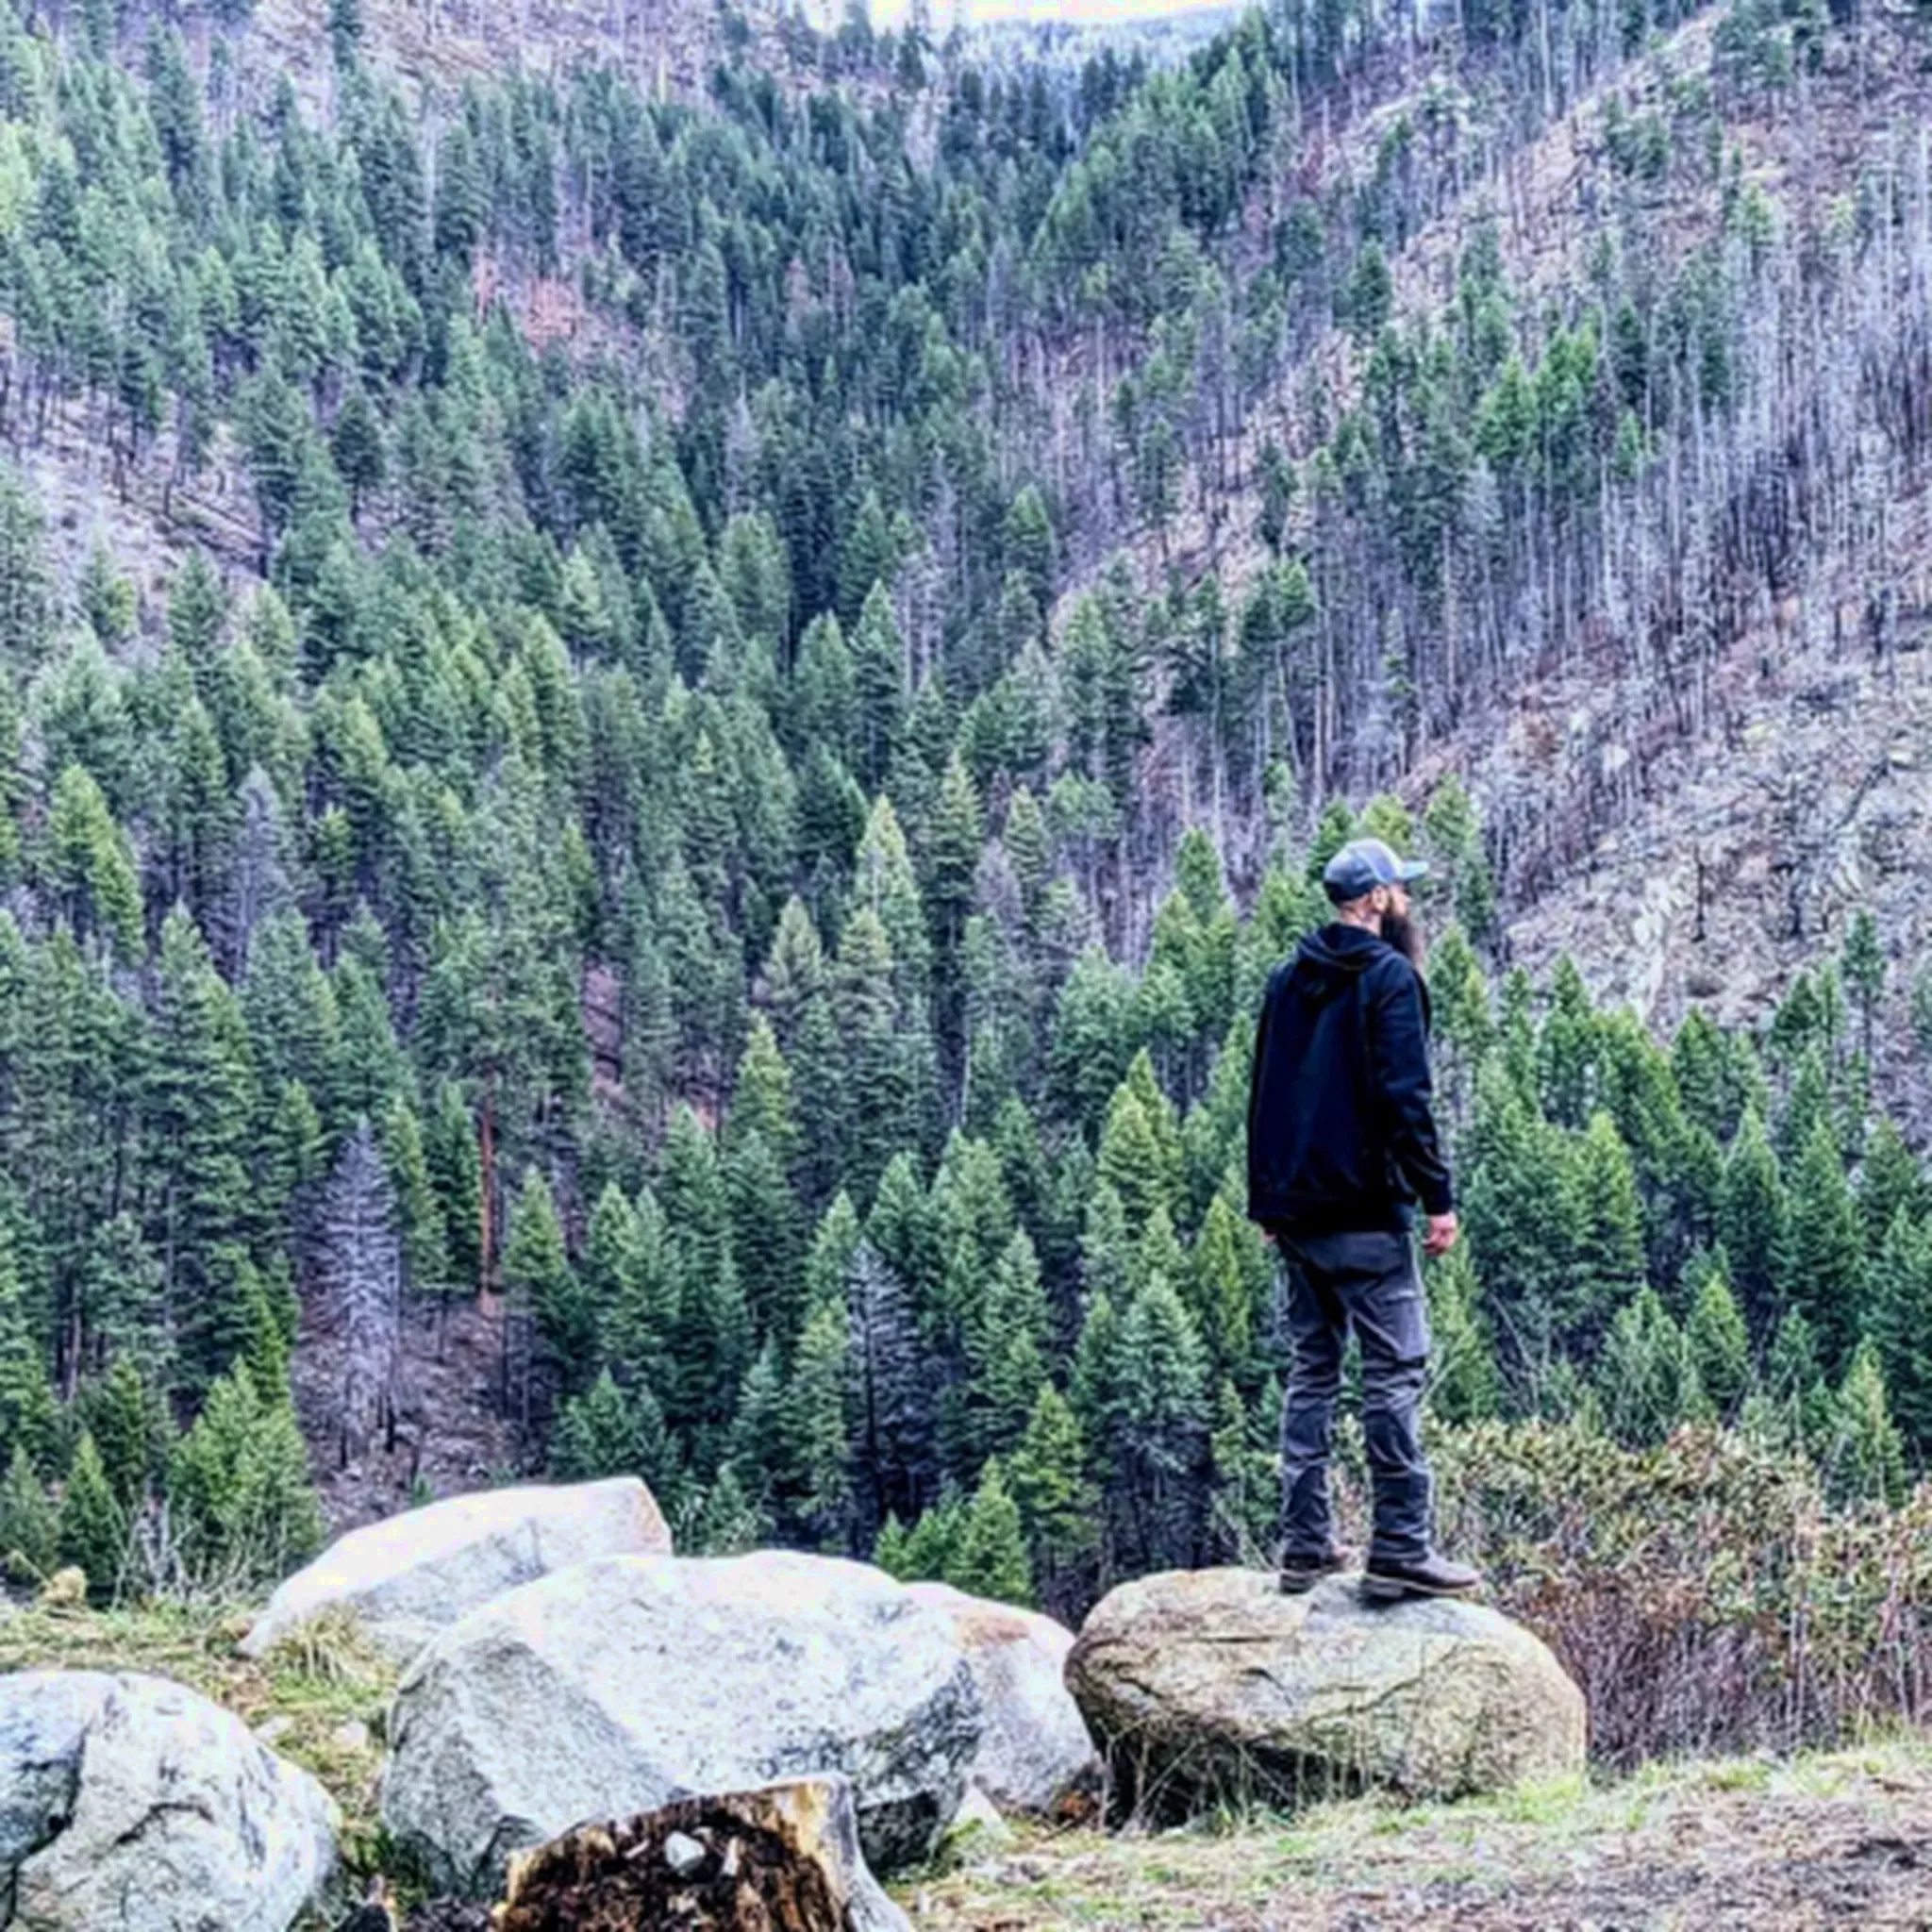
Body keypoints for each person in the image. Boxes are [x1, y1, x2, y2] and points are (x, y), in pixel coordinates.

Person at [1246, 836, 1480, 1601]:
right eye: (1399, 889)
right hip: (1366, 1215)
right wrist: (1437, 1198)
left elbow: (1264, 1092)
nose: (1406, 900)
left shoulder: (1288, 977)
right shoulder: (1390, 978)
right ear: (1376, 900)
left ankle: (1305, 1546)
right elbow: (1406, 1101)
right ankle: (1401, 1548)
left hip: (1299, 1213)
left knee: (1313, 1370)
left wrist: (1267, 1202)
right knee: (1394, 1370)